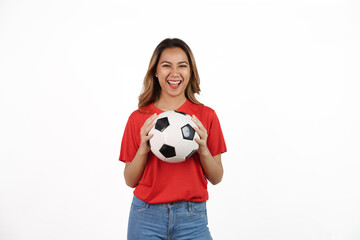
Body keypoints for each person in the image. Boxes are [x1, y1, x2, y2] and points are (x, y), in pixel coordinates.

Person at [119, 38, 227, 240]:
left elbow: (217, 177)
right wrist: (143, 148)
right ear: (155, 71)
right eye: (166, 65)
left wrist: (203, 150)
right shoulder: (139, 118)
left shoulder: (206, 116)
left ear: (190, 72)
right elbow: (130, 180)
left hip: (192, 218)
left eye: (182, 66)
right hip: (146, 217)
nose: (175, 73)